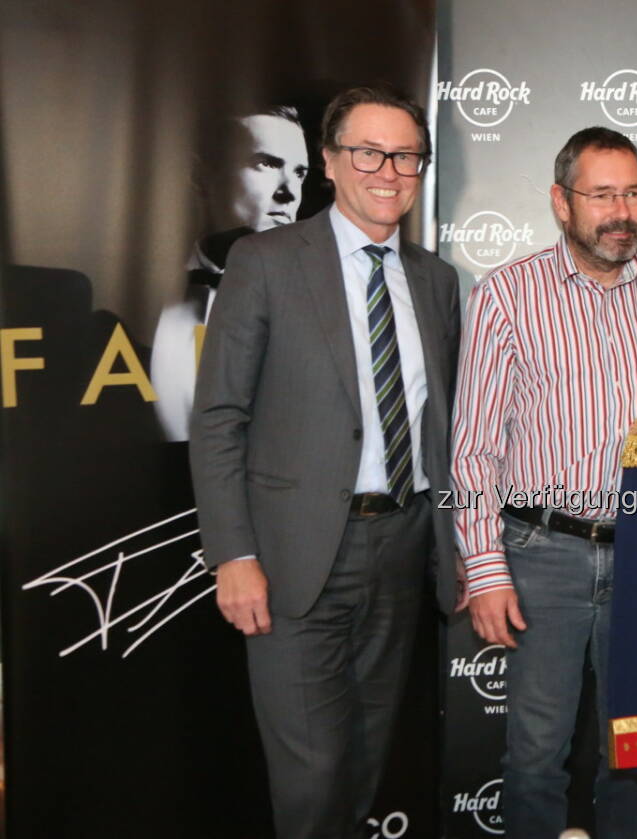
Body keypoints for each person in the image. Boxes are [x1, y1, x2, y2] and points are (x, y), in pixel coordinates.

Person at [189, 86, 459, 839]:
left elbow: (440, 426)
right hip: (294, 555)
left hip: (403, 545)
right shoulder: (266, 261)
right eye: (367, 152)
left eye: (406, 155)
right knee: (311, 776)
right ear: (332, 164)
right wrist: (233, 553)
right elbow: (219, 418)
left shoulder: (435, 280)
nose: (389, 170)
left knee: (366, 761)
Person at [452, 126, 637, 839]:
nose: (622, 211)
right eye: (602, 195)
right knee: (534, 753)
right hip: (542, 554)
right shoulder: (506, 294)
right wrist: (486, 567)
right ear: (562, 203)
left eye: (634, 193)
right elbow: (473, 448)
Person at [154, 105, 312, 441]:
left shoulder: (326, 304)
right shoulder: (141, 300)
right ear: (201, 177)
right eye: (266, 164)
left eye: (300, 173)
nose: (289, 192)